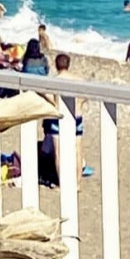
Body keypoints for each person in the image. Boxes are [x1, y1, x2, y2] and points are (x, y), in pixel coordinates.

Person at [43, 52, 92, 180]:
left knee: (59, 153)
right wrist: (80, 102)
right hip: (77, 116)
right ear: (68, 65)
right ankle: (78, 183)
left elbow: (44, 93)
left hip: (59, 117)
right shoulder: (79, 80)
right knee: (78, 151)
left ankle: (62, 182)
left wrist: (54, 102)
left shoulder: (54, 81)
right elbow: (87, 93)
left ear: (56, 65)